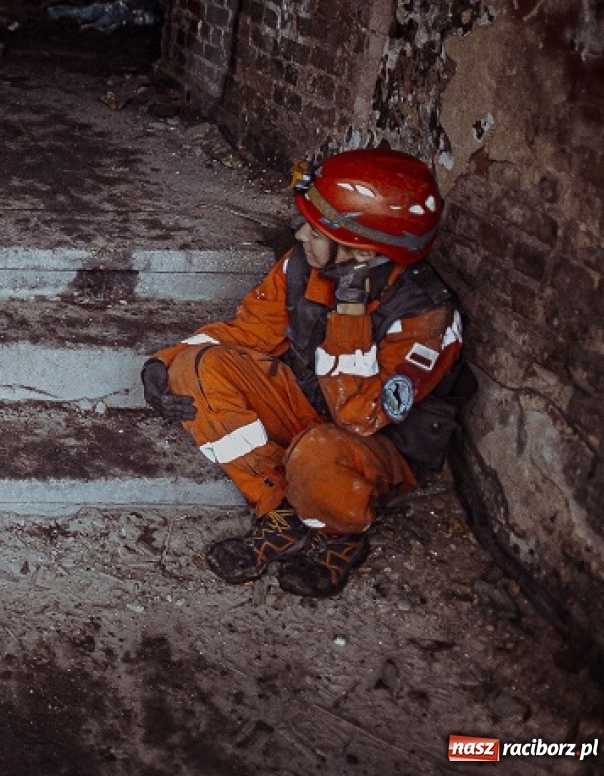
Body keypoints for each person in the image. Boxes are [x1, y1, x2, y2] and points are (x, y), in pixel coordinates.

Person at [140, 148, 474, 598]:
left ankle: (339, 536)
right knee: (198, 370)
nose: (300, 235)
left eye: (315, 231)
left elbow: (358, 417)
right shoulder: (306, 267)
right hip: (312, 414)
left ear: (360, 251)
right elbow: (248, 332)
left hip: (373, 446)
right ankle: (279, 511)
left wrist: (351, 313)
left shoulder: (426, 320)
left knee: (320, 452)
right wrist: (166, 361)